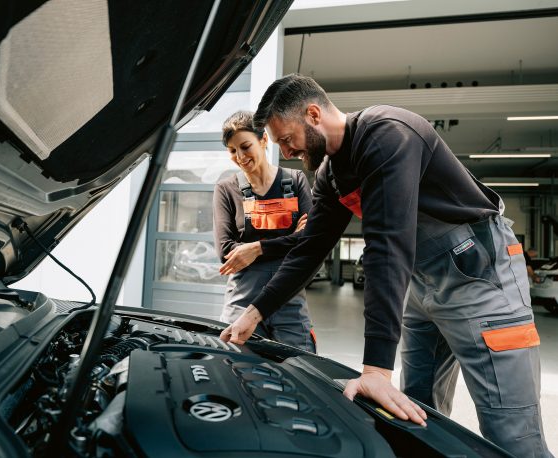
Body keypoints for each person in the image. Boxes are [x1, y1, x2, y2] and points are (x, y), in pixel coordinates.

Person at [219, 75, 552, 457]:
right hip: (422, 283)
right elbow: (310, 250)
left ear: (312, 114)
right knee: (416, 413)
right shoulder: (330, 175)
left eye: (285, 139)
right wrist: (255, 312)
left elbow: (388, 244)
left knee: (511, 435)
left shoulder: (388, 133)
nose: (285, 151)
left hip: (481, 275)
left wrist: (376, 370)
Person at [213, 110, 316, 352]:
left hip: (288, 300)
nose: (240, 156)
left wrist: (257, 248)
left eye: (245, 146)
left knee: (299, 370)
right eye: (232, 151)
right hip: (241, 303)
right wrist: (292, 238)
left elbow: (311, 238)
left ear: (263, 140)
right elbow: (226, 251)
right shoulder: (226, 189)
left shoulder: (296, 180)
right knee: (238, 372)